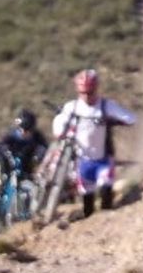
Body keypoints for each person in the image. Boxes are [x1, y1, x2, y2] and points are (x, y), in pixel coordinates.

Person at [53, 68, 136, 218]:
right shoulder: (72, 107)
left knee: (106, 193)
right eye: (83, 93)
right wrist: (61, 132)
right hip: (83, 161)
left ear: (96, 89)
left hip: (104, 159)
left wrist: (112, 120)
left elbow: (130, 118)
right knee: (88, 203)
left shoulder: (106, 106)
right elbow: (59, 122)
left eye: (90, 93)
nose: (86, 97)